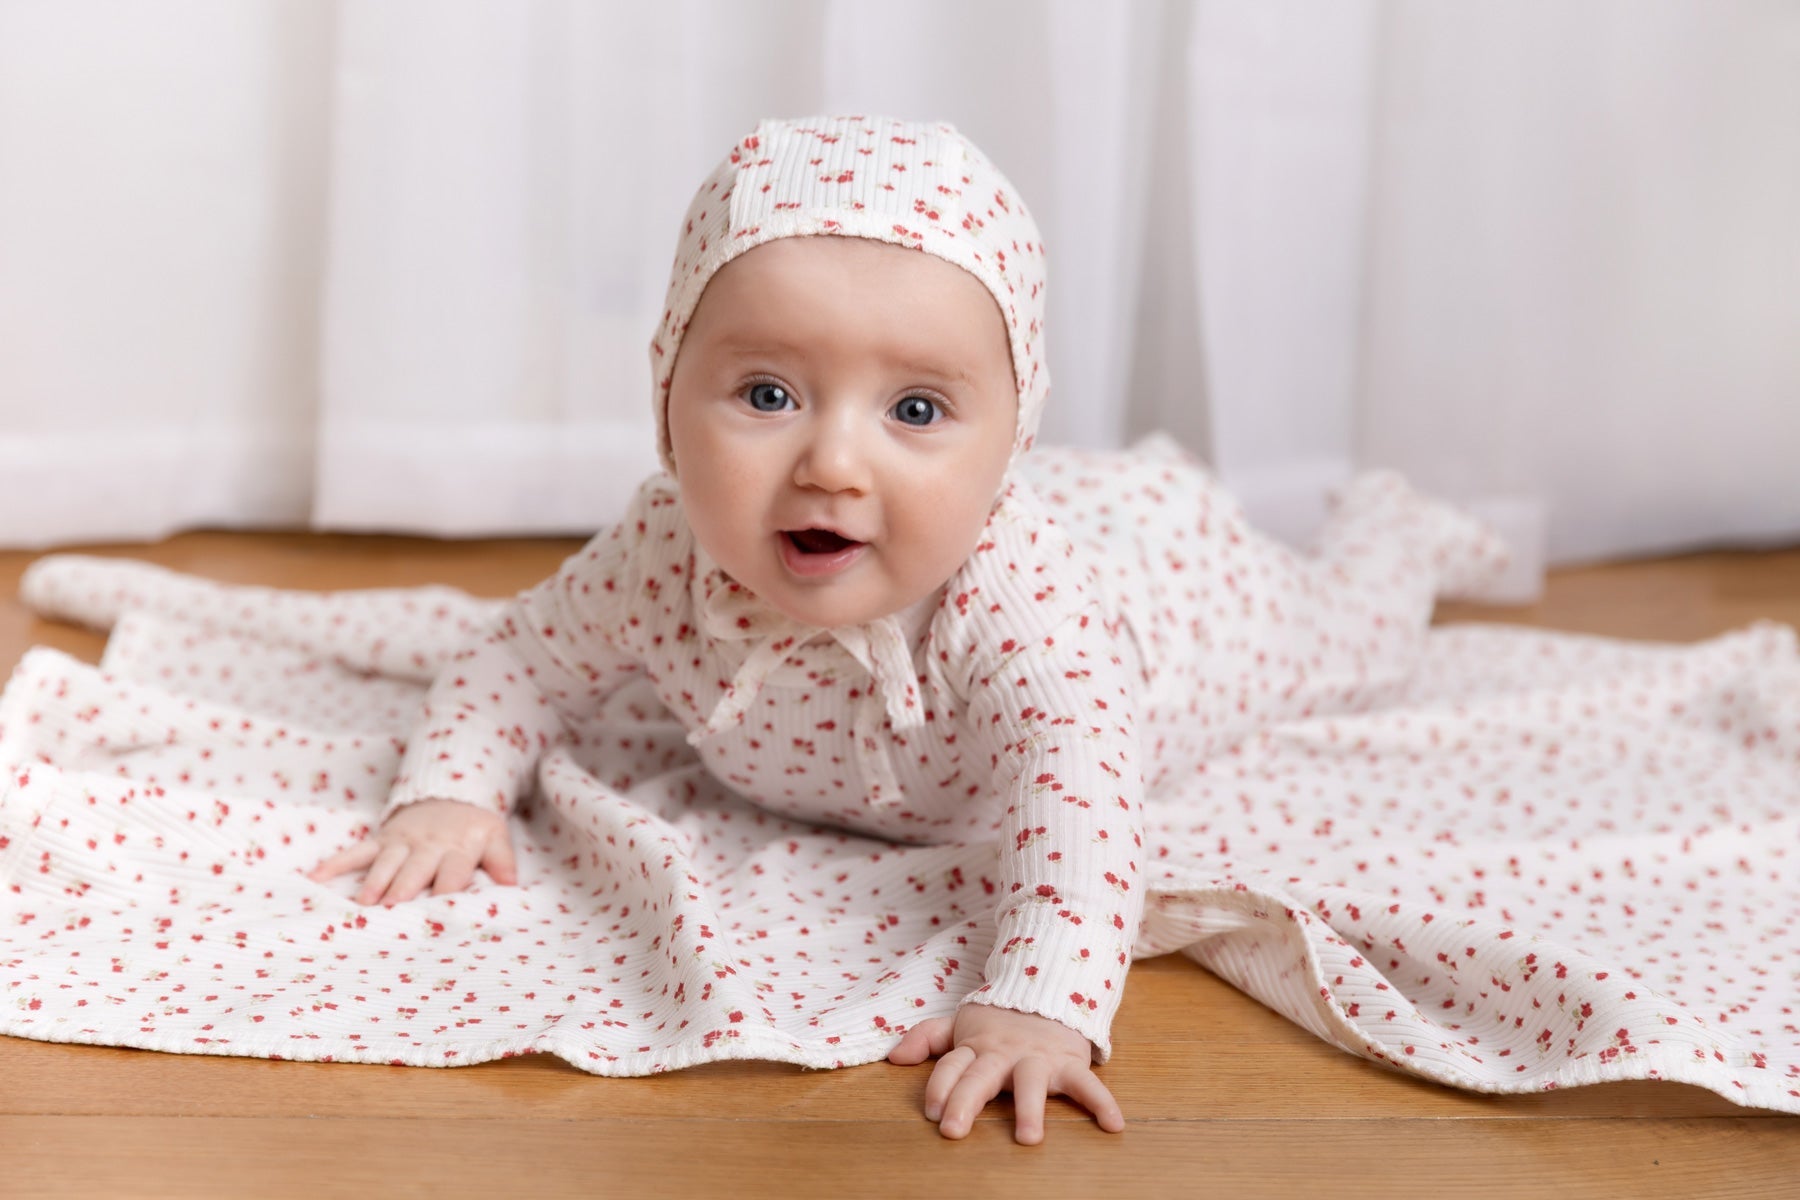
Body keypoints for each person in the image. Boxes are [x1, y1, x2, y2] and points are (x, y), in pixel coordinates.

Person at [307, 115, 1503, 1143]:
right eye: (767, 394)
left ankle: (1394, 537)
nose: (832, 462)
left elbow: (1082, 800)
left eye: (917, 409)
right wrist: (452, 789)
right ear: (667, 396)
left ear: (1008, 439)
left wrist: (1040, 999)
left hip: (1179, 601)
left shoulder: (1024, 612)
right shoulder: (662, 551)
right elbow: (516, 658)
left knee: (1353, 643)